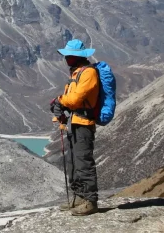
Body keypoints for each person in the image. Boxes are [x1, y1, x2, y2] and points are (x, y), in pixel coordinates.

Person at [50, 39, 101, 216]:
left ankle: (90, 200)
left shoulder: (88, 73)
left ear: (76, 57)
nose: (66, 59)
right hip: (75, 122)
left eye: (69, 56)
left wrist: (60, 101)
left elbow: (75, 100)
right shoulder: (76, 73)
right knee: (73, 162)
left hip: (84, 124)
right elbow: (70, 98)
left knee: (83, 161)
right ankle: (79, 196)